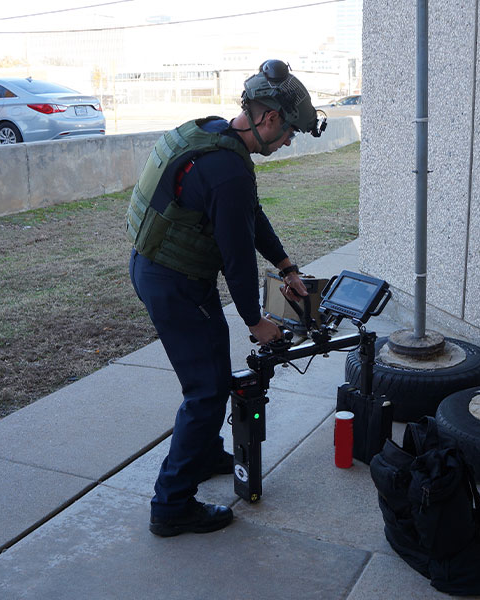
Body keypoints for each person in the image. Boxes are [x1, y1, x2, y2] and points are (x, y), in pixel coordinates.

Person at [126, 60, 326, 537]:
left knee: (212, 368)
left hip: (164, 269)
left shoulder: (213, 135)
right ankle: (172, 504)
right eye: (290, 133)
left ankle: (205, 452)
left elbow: (250, 218)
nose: (288, 143)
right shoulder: (229, 171)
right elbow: (236, 256)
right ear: (270, 118)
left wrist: (287, 268)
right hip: (175, 282)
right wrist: (256, 322)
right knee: (207, 390)